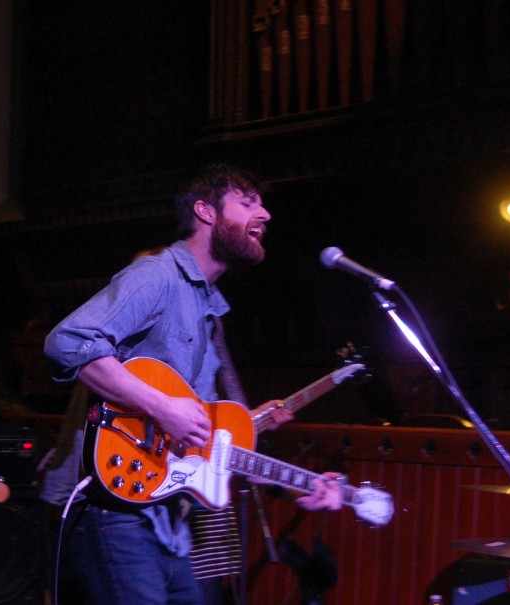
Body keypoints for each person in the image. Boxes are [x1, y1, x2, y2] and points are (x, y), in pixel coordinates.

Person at [42, 163, 341, 605]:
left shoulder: (209, 306)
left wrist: (297, 483)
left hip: (169, 517)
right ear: (205, 212)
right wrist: (163, 408)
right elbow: (67, 341)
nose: (265, 215)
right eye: (247, 203)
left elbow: (203, 436)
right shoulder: (157, 276)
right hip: (118, 511)